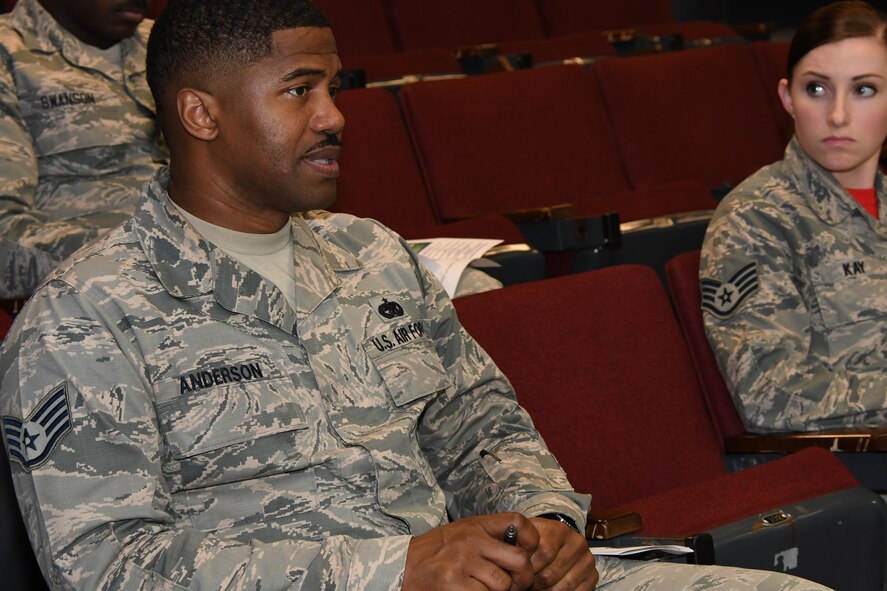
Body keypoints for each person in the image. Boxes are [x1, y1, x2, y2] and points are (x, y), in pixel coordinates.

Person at [0, 1, 830, 589]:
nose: (335, 116)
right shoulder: (85, 317)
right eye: (299, 91)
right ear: (201, 114)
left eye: (334, 87)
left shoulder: (372, 253)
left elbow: (482, 424)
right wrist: (391, 570)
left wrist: (542, 526)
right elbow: (106, 565)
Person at [701, 0, 887, 433]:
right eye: (817, 89)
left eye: (864, 90)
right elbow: (771, 396)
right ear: (787, 97)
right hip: (850, 472)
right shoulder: (755, 219)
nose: (838, 114)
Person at [0, 0, 167, 302]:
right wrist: (158, 251)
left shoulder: (170, 41)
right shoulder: (8, 52)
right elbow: (4, 239)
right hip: (98, 296)